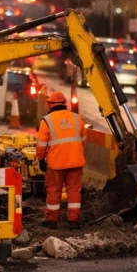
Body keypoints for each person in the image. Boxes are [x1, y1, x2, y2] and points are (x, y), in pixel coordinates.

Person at [36, 90, 87, 228]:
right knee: (74, 190)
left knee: (54, 190)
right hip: (75, 162)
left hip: (55, 164)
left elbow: (41, 145)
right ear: (65, 103)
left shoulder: (46, 121)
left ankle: (52, 220)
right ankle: (74, 221)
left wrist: (41, 160)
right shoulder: (77, 118)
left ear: (49, 104)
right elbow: (82, 140)